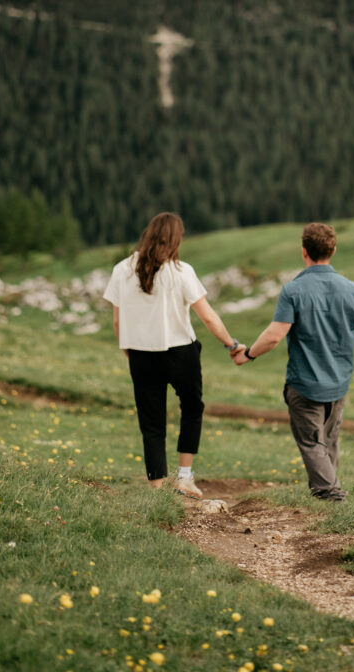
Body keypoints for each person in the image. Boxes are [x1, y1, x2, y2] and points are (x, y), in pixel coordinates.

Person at [233, 222, 354, 501]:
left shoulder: (294, 290)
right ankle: (326, 492)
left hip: (304, 384)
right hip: (339, 382)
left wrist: (248, 354)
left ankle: (331, 494)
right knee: (328, 440)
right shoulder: (352, 289)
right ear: (333, 250)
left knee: (312, 442)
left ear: (304, 252)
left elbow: (275, 336)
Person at [103, 212, 240, 498]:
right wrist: (231, 344)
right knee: (191, 408)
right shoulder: (181, 271)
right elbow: (209, 317)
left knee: (151, 422)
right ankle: (184, 478)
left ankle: (157, 489)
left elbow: (117, 322)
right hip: (180, 353)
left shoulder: (121, 270)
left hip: (141, 354)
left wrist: (129, 351)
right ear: (176, 239)